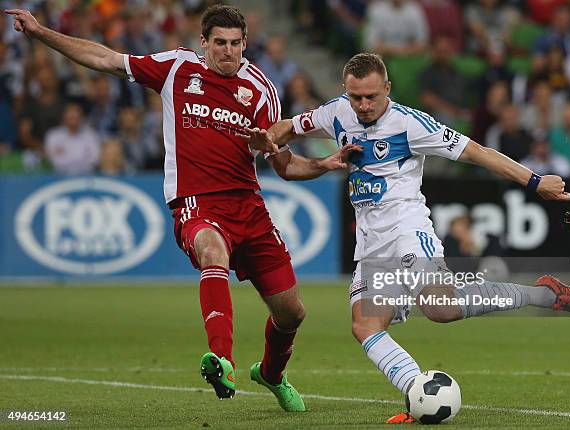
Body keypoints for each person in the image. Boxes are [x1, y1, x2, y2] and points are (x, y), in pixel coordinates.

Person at [4, 4, 354, 412]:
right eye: (219, 43)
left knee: (291, 313)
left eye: (236, 43)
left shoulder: (261, 90)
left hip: (249, 208)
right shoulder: (176, 68)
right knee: (212, 250)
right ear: (202, 42)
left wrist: (323, 165)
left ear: (245, 43)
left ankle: (272, 374)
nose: (228, 51)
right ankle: (222, 359)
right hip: (197, 203)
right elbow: (105, 59)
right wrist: (43, 32)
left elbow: (285, 165)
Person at [245, 53, 570, 423]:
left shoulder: (410, 124)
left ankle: (544, 293)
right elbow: (287, 126)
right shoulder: (336, 112)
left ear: (387, 88)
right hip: (371, 245)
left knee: (440, 308)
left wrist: (534, 181)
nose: (364, 106)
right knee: (365, 325)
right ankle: (418, 392)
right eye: (356, 97)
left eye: (372, 96)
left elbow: (478, 153)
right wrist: (267, 138)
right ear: (345, 91)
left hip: (407, 229)